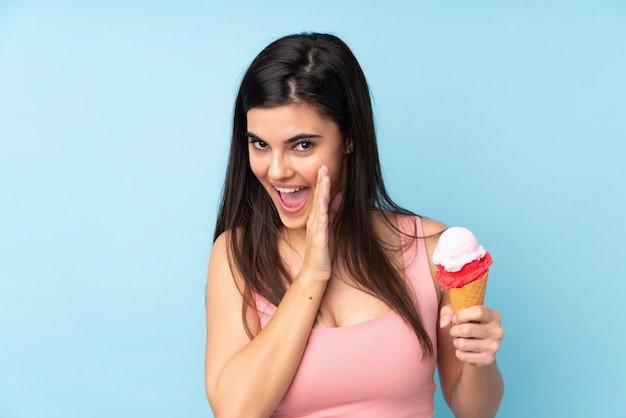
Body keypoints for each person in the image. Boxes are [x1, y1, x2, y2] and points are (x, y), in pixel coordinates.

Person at [205, 33, 504, 418]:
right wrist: (313, 275)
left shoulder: (429, 248)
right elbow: (235, 411)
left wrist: (480, 357)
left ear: (348, 139)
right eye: (260, 144)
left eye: (302, 145)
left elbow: (474, 411)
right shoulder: (236, 255)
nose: (276, 170)